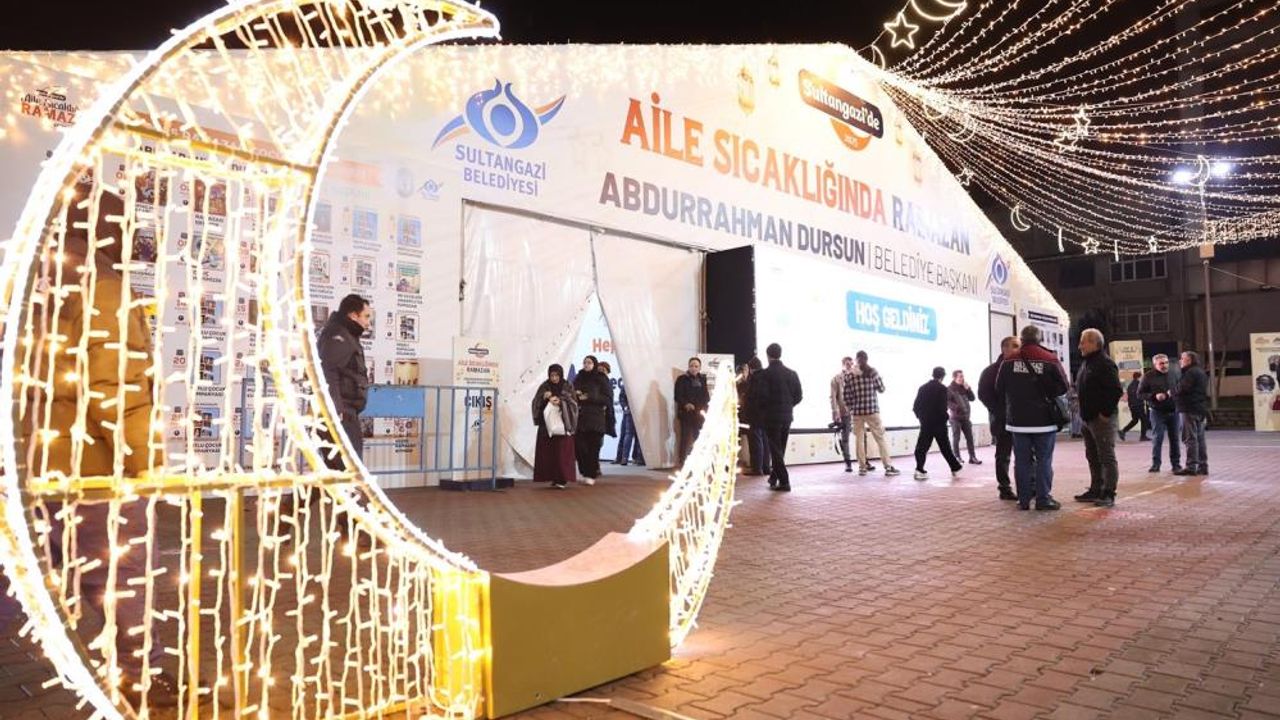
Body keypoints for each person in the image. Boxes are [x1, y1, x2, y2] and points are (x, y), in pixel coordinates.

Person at [6, 184, 176, 709]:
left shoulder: (29, 282)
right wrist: (149, 466)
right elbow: (117, 389)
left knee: (60, 582)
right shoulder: (101, 287)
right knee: (124, 576)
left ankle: (91, 671)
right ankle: (138, 675)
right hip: (96, 470)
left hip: (39, 462)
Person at [997, 325, 1070, 511]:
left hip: (1017, 421)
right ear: (1039, 339)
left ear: (1022, 339)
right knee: (1044, 460)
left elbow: (999, 387)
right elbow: (1063, 386)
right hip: (1044, 421)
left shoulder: (1009, 360)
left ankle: (1023, 500)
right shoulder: (1050, 358)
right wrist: (1047, 393)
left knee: (1022, 461)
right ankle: (1043, 499)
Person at [319, 293, 373, 466]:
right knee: (348, 469)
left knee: (343, 469)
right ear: (353, 315)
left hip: (344, 413)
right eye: (366, 316)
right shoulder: (339, 336)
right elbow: (328, 372)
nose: (368, 323)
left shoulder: (346, 335)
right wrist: (335, 410)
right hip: (341, 414)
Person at [1073, 329, 1124, 507]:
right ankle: (1096, 489)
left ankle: (1108, 492)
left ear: (1095, 343)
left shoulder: (1105, 363)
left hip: (1101, 419)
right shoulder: (1087, 363)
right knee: (1092, 456)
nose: (1080, 346)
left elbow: (1115, 390)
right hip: (1088, 419)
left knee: (1106, 456)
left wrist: (1105, 413)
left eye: (1083, 342)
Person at [978, 336, 1021, 501]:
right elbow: (984, 394)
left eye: (1018, 346)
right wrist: (1000, 411)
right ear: (1004, 348)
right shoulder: (991, 371)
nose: (1018, 349)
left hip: (1022, 420)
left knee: (1025, 454)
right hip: (1002, 420)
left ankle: (1027, 487)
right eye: (1015, 346)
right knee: (1003, 455)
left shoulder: (1021, 367)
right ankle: (1004, 488)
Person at [756, 343, 802, 492]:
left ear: (768, 356)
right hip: (787, 416)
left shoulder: (765, 374)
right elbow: (799, 396)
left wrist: (764, 411)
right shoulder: (792, 373)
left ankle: (784, 481)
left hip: (771, 417)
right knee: (780, 449)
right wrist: (788, 405)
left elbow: (762, 397)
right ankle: (773, 477)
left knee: (775, 450)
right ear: (780, 354)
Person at [846, 351, 898, 477]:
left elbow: (846, 396)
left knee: (859, 440)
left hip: (857, 413)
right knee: (880, 439)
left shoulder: (850, 375)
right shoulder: (872, 372)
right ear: (866, 359)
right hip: (872, 411)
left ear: (856, 360)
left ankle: (862, 468)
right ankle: (888, 466)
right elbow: (881, 389)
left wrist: (852, 407)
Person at [912, 367, 964, 481]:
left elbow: (915, 406)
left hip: (926, 423)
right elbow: (942, 408)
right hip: (939, 423)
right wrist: (945, 418)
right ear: (943, 376)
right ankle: (955, 468)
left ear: (933, 374)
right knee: (945, 447)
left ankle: (919, 469)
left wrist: (922, 418)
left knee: (922, 447)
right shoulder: (942, 389)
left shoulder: (923, 388)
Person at [532, 364, 578, 488]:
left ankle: (562, 479)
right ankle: (553, 477)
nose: (554, 378)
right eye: (552, 375)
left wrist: (561, 402)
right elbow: (536, 402)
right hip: (547, 426)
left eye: (556, 375)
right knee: (548, 454)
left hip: (563, 424)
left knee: (562, 453)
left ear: (561, 375)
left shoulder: (567, 386)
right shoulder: (544, 386)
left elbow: (574, 403)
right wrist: (544, 397)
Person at [1138, 354, 1182, 473]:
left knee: (1175, 439)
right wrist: (1154, 396)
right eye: (1161, 363)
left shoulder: (1174, 374)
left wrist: (1173, 393)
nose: (1165, 365)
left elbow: (1180, 387)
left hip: (1174, 411)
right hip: (1157, 412)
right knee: (1158, 438)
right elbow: (1140, 394)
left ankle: (1176, 464)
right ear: (1155, 364)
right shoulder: (1148, 376)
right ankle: (1156, 464)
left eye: (1166, 362)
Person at [573, 354, 612, 484]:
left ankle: (591, 474)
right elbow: (571, 393)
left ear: (594, 364)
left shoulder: (601, 378)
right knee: (579, 447)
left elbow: (607, 398)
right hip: (580, 418)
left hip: (596, 418)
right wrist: (576, 395)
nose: (586, 365)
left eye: (589, 363)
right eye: (585, 362)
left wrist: (590, 397)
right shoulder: (579, 377)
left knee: (593, 448)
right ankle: (584, 471)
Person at [1175, 351, 1210, 476]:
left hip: (1188, 408)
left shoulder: (1189, 373)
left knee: (1190, 438)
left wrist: (1172, 391)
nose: (1180, 361)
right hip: (1200, 408)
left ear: (1189, 360)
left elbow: (1183, 388)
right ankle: (1203, 466)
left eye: (1182, 358)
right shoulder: (1200, 372)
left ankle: (1191, 466)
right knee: (1200, 439)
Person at [674, 357, 711, 464]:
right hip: (686, 414)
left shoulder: (702, 379)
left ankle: (700, 461)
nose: (693, 368)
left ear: (700, 368)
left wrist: (705, 408)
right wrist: (686, 404)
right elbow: (678, 395)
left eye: (696, 366)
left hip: (699, 414)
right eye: (691, 366)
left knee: (699, 437)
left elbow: (706, 396)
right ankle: (682, 461)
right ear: (688, 367)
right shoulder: (682, 379)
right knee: (685, 438)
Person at [947, 369, 982, 465]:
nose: (962, 378)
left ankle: (972, 457)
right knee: (956, 438)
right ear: (954, 378)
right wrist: (956, 407)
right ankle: (957, 457)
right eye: (960, 376)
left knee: (970, 438)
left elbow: (972, 398)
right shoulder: (949, 389)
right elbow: (947, 402)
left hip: (966, 417)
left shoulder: (964, 388)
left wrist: (968, 389)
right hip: (955, 418)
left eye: (963, 376)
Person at [744, 356, 771, 477]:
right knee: (765, 441)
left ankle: (757, 468)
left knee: (756, 441)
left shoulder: (754, 378)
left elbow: (752, 396)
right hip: (766, 415)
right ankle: (766, 467)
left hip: (755, 415)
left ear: (751, 368)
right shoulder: (767, 376)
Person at [830, 356, 856, 472]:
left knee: (862, 436)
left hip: (857, 412)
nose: (849, 365)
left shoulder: (857, 377)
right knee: (845, 438)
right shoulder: (836, 379)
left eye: (851, 363)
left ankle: (865, 462)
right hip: (844, 412)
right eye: (847, 364)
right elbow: (833, 397)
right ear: (843, 364)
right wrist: (835, 412)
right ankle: (848, 463)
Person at [614, 382, 645, 467]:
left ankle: (625, 458)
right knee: (634, 436)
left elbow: (622, 397)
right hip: (635, 412)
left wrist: (625, 407)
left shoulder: (628, 382)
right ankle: (637, 458)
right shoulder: (642, 383)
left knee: (629, 435)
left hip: (631, 412)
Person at [1118, 370, 1150, 441]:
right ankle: (1143, 436)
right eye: (1142, 377)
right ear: (1139, 377)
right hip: (1138, 405)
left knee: (1135, 420)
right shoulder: (1139, 384)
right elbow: (1140, 395)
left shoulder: (1130, 385)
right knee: (1144, 420)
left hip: (1133, 406)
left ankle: (1123, 431)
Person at [598, 360, 618, 441]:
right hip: (597, 415)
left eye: (603, 370)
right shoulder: (595, 382)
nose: (601, 372)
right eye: (599, 370)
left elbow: (609, 400)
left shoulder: (608, 383)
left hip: (605, 415)